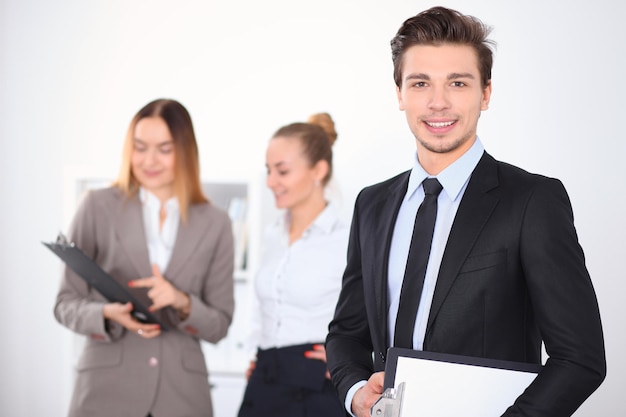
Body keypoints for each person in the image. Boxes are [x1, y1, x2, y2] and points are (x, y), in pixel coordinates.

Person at [325, 6, 606, 417]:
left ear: (485, 93)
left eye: (458, 82)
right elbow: (347, 332)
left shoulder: (532, 201)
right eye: (420, 83)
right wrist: (353, 391)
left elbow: (580, 357)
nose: (438, 102)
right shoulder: (372, 204)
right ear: (400, 94)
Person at [54, 98, 235, 417]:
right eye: (140, 147)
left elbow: (219, 325)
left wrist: (183, 303)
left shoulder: (216, 222)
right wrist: (107, 314)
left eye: (164, 149)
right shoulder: (97, 206)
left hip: (182, 397)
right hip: (106, 390)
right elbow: (65, 303)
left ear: (185, 151)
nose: (149, 160)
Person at [237, 120, 348, 417]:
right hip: (265, 376)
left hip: (316, 384)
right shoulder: (273, 235)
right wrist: (257, 352)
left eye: (282, 171)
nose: (271, 181)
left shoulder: (348, 238)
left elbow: (381, 313)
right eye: (269, 170)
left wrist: (357, 360)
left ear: (318, 171)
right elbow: (263, 307)